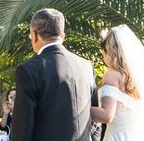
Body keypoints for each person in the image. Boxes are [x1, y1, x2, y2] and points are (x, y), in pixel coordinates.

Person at [11, 8, 98, 141]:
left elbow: (23, 127)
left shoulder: (29, 70)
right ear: (62, 35)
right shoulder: (86, 66)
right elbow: (94, 119)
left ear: (34, 35)